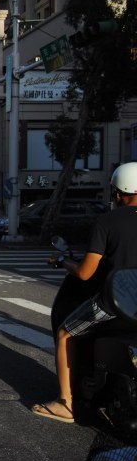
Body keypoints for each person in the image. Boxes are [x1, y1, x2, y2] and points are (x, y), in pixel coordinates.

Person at [32, 162, 137, 423]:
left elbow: (86, 273)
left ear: (118, 192)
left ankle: (65, 403)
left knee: (66, 333)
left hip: (117, 302)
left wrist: (64, 263)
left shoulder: (107, 221)